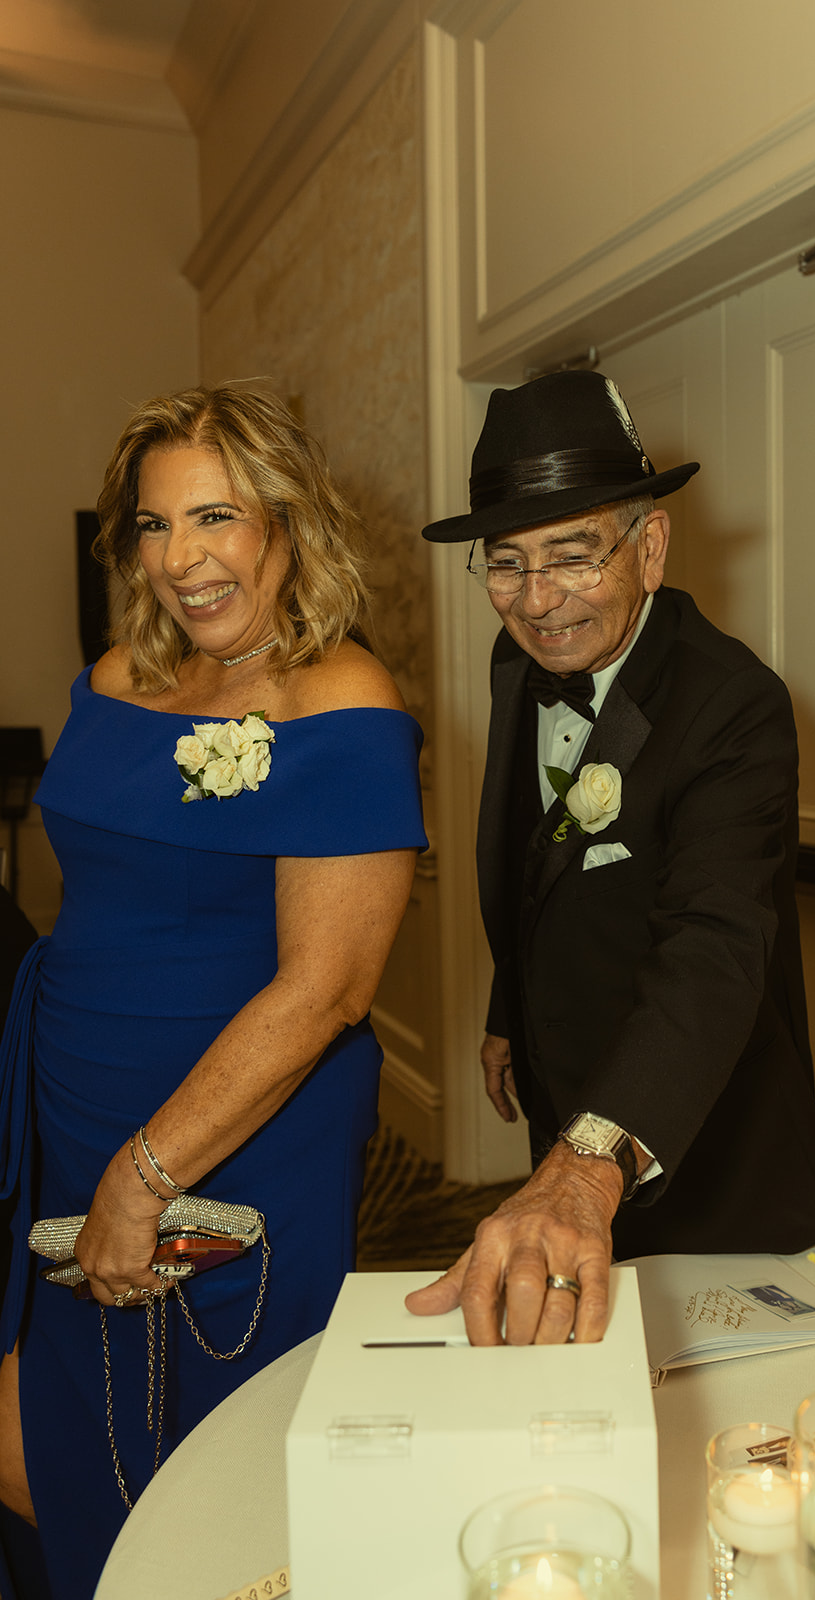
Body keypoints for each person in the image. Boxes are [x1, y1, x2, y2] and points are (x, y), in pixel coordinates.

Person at [0, 385, 427, 1598]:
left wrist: (143, 1178)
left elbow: (327, 989)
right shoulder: (119, 671)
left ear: (287, 526)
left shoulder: (338, 700)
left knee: (215, 1451)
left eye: (215, 518)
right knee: (57, 1421)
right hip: (66, 1097)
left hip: (227, 1129)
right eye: (152, 524)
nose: (180, 559)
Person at [408, 370, 815, 1347]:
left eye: (569, 555)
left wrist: (584, 1160)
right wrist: (507, 1006)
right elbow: (529, 851)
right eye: (505, 564)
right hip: (560, 1105)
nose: (537, 599)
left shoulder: (734, 705)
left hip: (706, 1155)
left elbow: (713, 951)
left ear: (648, 548)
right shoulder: (517, 661)